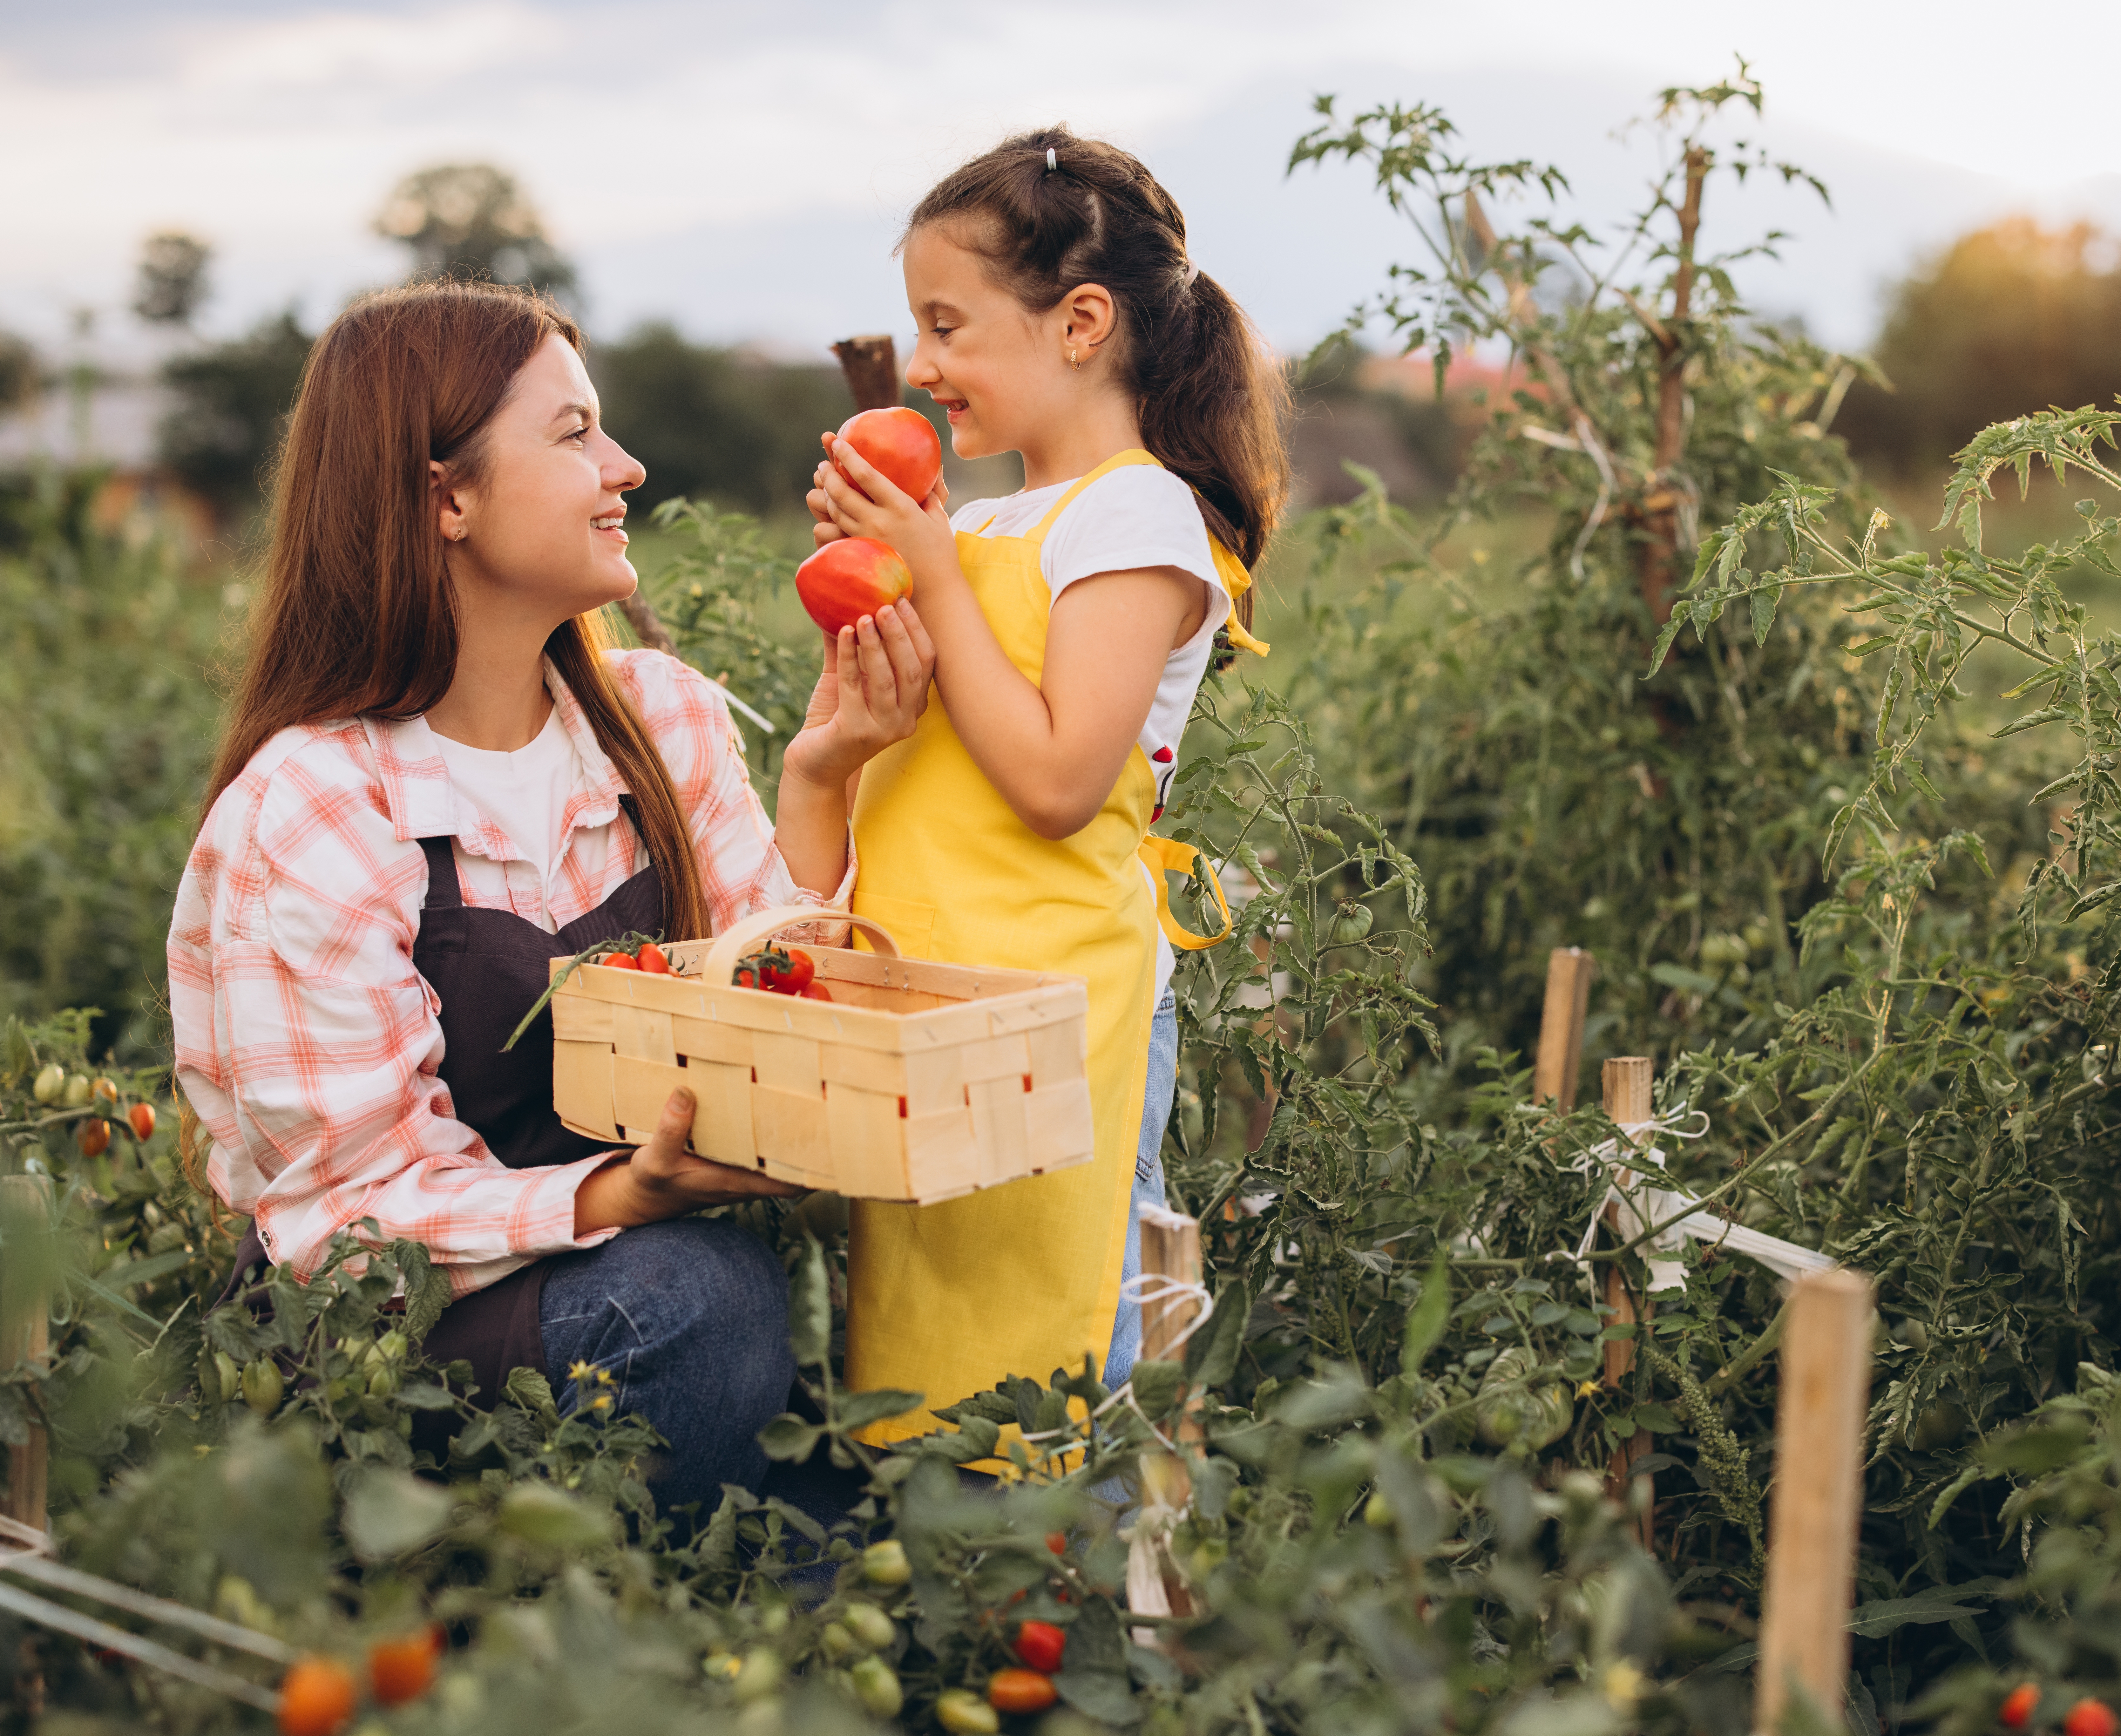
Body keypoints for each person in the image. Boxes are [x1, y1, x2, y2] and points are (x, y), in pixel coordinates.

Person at [169, 281, 934, 1519]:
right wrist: (615, 1196)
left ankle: (757, 1579)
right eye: (574, 433)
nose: (623, 467)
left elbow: (767, 991)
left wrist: (823, 770)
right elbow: (351, 1219)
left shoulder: (656, 717)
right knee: (698, 1297)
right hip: (400, 1330)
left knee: (733, 1291)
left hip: (622, 1267)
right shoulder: (313, 807)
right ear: (445, 496)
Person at [806, 129, 1286, 1443]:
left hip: (1048, 1010)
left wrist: (933, 573)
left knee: (1044, 1365)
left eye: (947, 324)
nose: (919, 366)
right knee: (919, 1368)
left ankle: (1076, 1628)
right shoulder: (973, 525)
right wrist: (873, 592)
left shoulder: (1135, 517)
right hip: (934, 991)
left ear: (1079, 321)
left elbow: (1058, 781)